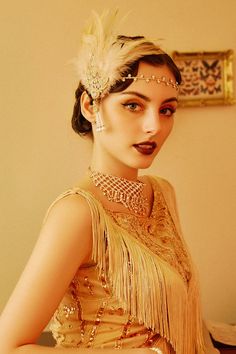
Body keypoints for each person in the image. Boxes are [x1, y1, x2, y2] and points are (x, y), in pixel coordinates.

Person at [0, 9, 219, 354]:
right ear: (91, 106)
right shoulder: (78, 213)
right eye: (133, 105)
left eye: (167, 110)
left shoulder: (162, 193)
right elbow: (10, 347)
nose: (154, 127)